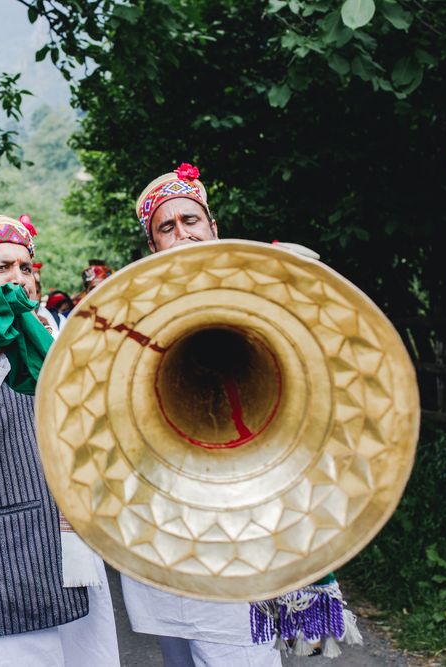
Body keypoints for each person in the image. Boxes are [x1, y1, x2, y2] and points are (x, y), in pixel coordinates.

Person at [0, 215, 120, 667]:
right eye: (1, 268)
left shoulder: (56, 338)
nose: (18, 280)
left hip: (66, 556)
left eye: (25, 268)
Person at [120, 163, 282, 667]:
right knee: (184, 649)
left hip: (247, 497)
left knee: (242, 649)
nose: (182, 233)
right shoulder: (130, 309)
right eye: (166, 228)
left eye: (190, 220)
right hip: (169, 510)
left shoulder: (266, 287)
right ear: (153, 248)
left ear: (213, 227)